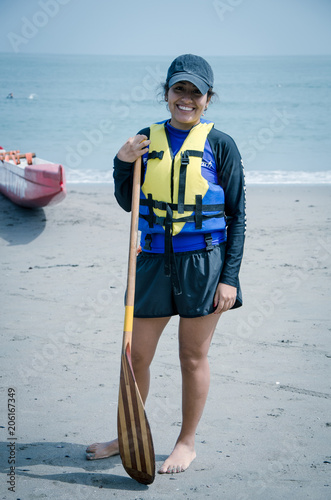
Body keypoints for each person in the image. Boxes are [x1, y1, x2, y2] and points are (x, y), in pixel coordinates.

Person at [86, 54, 246, 474]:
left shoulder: (221, 145)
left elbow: (238, 215)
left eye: (196, 92)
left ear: (208, 99)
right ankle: (128, 436)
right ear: (166, 94)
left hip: (204, 263)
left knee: (191, 357)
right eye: (180, 90)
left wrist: (229, 279)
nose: (187, 99)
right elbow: (129, 202)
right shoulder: (145, 138)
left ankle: (186, 442)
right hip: (153, 261)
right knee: (135, 356)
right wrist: (122, 161)